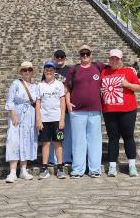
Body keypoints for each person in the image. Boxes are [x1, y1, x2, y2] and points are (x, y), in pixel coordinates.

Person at [65, 45, 106, 178]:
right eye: (82, 54)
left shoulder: (98, 66)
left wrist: (131, 69)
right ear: (79, 55)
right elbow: (67, 88)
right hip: (77, 111)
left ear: (91, 54)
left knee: (95, 141)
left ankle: (94, 169)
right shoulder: (74, 69)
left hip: (94, 111)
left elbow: (114, 68)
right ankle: (78, 170)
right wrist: (67, 103)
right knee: (78, 141)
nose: (85, 56)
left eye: (87, 53)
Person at [101, 49, 140, 177]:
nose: (114, 61)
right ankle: (112, 166)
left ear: (121, 59)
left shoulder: (128, 71)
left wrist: (128, 84)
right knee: (113, 138)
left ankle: (132, 166)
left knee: (128, 137)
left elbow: (139, 87)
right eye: (112, 58)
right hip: (109, 111)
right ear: (109, 59)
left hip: (127, 110)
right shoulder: (104, 71)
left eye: (117, 58)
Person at [4, 61, 38, 183]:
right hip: (17, 114)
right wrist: (13, 115)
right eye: (24, 70)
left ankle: (23, 170)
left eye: (29, 69)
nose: (27, 72)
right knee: (14, 140)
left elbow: (37, 102)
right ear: (21, 72)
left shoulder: (35, 86)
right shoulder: (16, 84)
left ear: (32, 71)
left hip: (29, 115)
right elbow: (10, 100)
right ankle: (12, 172)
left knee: (26, 140)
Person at [36, 61, 66, 179]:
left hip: (57, 119)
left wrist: (62, 119)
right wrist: (38, 119)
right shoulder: (40, 85)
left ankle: (60, 168)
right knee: (45, 143)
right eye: (47, 70)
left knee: (58, 143)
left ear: (54, 72)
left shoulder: (59, 84)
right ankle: (44, 168)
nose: (49, 72)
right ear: (44, 71)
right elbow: (38, 103)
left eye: (51, 70)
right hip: (44, 119)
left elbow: (62, 102)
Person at [45, 50, 72, 166]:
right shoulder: (49, 70)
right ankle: (52, 159)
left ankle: (66, 158)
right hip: (52, 110)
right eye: (57, 57)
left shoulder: (70, 70)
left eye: (62, 57)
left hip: (65, 109)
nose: (59, 59)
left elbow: (72, 87)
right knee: (52, 137)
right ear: (54, 58)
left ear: (65, 58)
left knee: (67, 135)